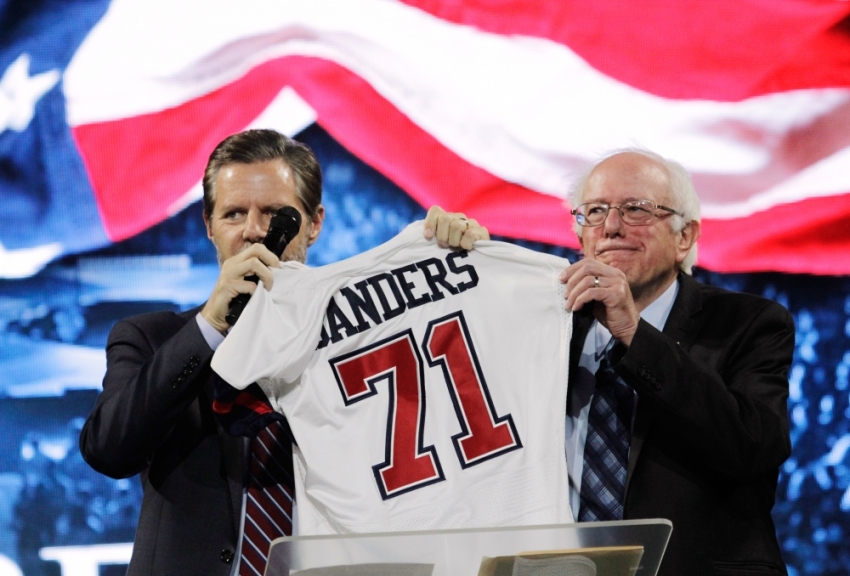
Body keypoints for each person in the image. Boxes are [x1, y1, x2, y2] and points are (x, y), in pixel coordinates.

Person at [78, 128, 488, 576]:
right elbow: (109, 451)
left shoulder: (368, 345)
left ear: (314, 224)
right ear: (209, 227)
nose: (254, 231)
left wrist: (467, 266)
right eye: (234, 213)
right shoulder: (151, 338)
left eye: (275, 213)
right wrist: (211, 326)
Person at [560, 148, 793, 576]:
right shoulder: (550, 327)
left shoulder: (749, 323)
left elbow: (753, 447)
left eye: (636, 209)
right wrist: (451, 249)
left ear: (684, 236)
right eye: (594, 211)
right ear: (581, 236)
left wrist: (633, 333)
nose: (611, 226)